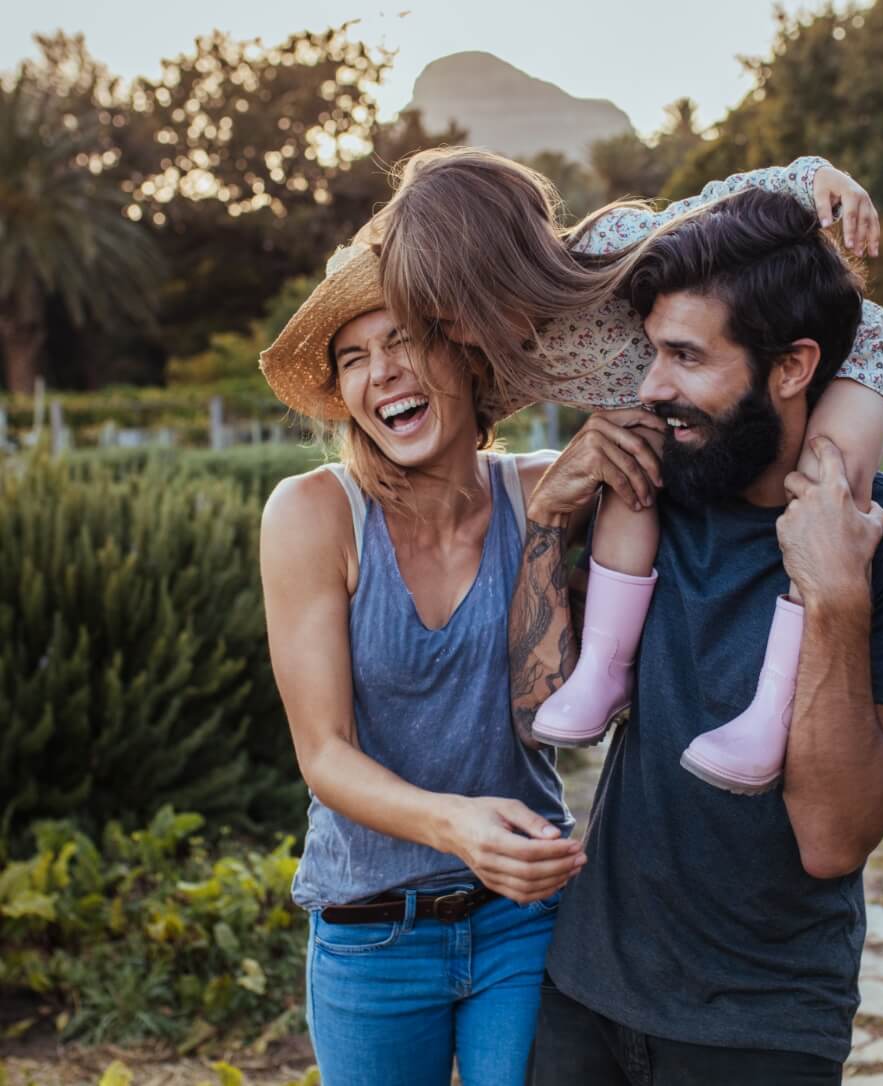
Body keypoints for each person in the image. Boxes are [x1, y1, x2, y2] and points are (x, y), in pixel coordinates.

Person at [509, 188, 883, 1085]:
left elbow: (833, 840)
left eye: (687, 356)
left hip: (762, 1028)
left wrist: (835, 592)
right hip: (584, 991)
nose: (653, 386)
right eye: (654, 351)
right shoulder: (657, 492)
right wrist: (545, 522)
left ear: (793, 367)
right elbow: (535, 704)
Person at [371, 147, 883, 791]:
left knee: (829, 491)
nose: (455, 333)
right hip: (679, 405)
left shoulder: (611, 247)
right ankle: (604, 666)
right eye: (437, 321)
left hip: (849, 350)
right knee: (627, 473)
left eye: (456, 311)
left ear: (503, 269)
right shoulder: (509, 347)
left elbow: (720, 202)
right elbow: (456, 407)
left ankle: (774, 710)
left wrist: (815, 179)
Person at [258, 245, 597, 1086]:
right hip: (372, 931)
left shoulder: (545, 491)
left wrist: (794, 187)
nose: (382, 374)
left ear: (464, 351)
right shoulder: (314, 514)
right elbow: (324, 753)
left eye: (404, 339)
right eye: (354, 357)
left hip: (524, 915)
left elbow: (654, 340)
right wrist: (455, 825)